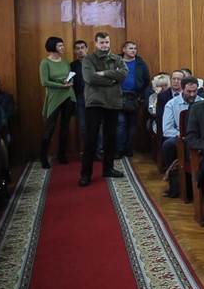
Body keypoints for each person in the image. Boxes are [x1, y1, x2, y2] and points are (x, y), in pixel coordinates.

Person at [79, 32, 128, 187]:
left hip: (113, 101)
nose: (105, 45)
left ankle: (108, 168)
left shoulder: (117, 59)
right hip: (95, 102)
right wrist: (112, 80)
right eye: (101, 43)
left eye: (107, 42)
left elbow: (123, 74)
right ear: (96, 43)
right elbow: (90, 78)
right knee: (92, 139)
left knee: (110, 137)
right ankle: (86, 174)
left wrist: (105, 74)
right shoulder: (89, 59)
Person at [38, 36, 76, 169]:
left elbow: (70, 75)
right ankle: (43, 157)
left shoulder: (65, 61)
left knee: (65, 127)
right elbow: (44, 82)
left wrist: (68, 81)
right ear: (52, 46)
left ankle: (62, 154)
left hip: (68, 96)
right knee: (50, 127)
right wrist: (61, 85)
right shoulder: (45, 62)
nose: (63, 48)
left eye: (62, 45)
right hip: (54, 97)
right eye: (60, 45)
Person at [116, 40, 150, 159]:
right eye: (131, 48)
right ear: (124, 50)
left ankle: (129, 149)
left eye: (135, 48)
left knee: (132, 124)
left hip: (134, 98)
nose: (133, 51)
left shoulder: (140, 63)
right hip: (118, 97)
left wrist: (141, 94)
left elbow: (146, 80)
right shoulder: (116, 61)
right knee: (120, 123)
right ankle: (119, 149)